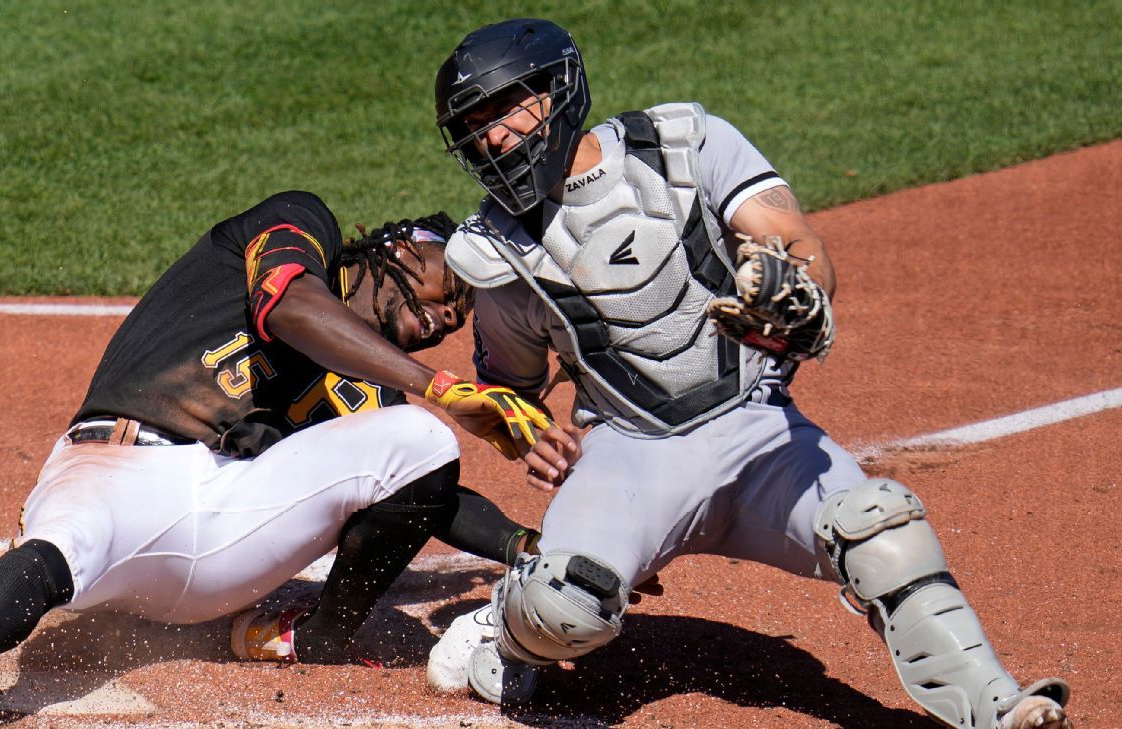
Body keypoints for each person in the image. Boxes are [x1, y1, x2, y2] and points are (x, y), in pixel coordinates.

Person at [422, 18, 1072, 729]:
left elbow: (793, 241)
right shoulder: (496, 255)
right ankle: (503, 630)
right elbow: (511, 391)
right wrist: (525, 429)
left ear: (560, 86)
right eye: (474, 126)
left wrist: (800, 292)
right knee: (564, 603)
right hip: (629, 455)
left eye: (504, 110)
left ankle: (998, 707)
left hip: (759, 433)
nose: (492, 138)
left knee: (881, 527)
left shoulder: (684, 145)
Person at [0, 190, 548, 729]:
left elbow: (434, 491)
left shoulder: (369, 395)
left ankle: (318, 635)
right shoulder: (297, 224)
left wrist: (536, 548)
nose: (446, 316)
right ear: (406, 244)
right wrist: (436, 383)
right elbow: (288, 305)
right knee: (56, 551)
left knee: (421, 440)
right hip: (107, 477)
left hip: (221, 536)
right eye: (451, 288)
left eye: (456, 317)